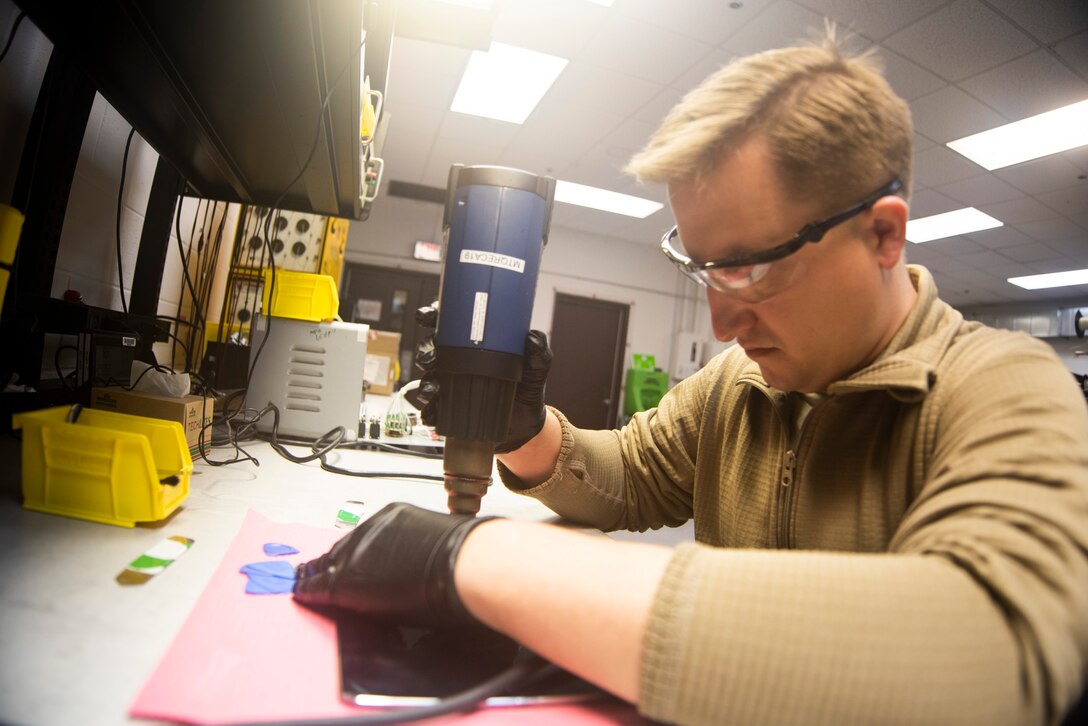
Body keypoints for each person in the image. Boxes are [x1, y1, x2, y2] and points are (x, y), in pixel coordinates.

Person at [294, 30, 1088, 725]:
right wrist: (524, 432)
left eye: (748, 269)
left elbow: (992, 656)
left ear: (883, 235)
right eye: (703, 267)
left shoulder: (1005, 388)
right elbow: (633, 476)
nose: (720, 325)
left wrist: (468, 558)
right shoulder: (738, 383)